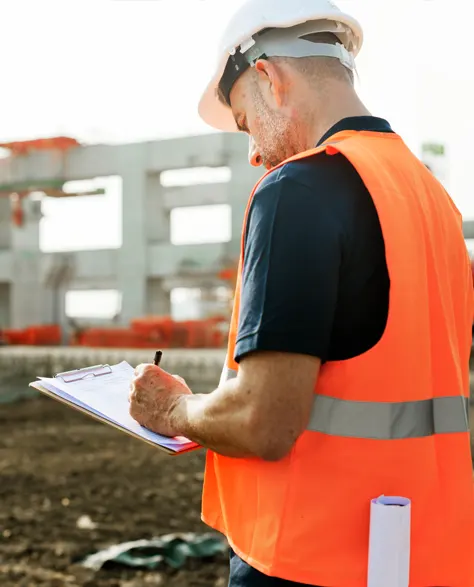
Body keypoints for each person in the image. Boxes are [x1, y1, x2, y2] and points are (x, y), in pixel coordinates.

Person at [129, 0, 474, 585]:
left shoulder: (298, 188)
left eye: (245, 122)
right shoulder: (430, 198)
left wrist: (172, 410)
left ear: (269, 79)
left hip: (311, 559)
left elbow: (264, 419)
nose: (254, 153)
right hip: (425, 555)